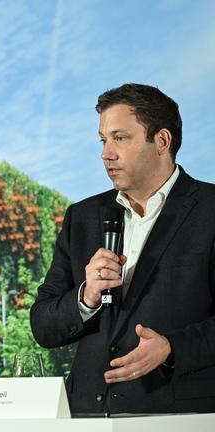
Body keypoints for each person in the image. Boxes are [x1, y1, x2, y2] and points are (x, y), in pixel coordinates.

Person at [31, 83, 215, 414]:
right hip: (88, 414)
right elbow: (43, 325)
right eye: (103, 140)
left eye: (121, 138)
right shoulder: (82, 217)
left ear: (161, 142)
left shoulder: (210, 210)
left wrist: (173, 347)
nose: (106, 153)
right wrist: (85, 297)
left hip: (176, 416)